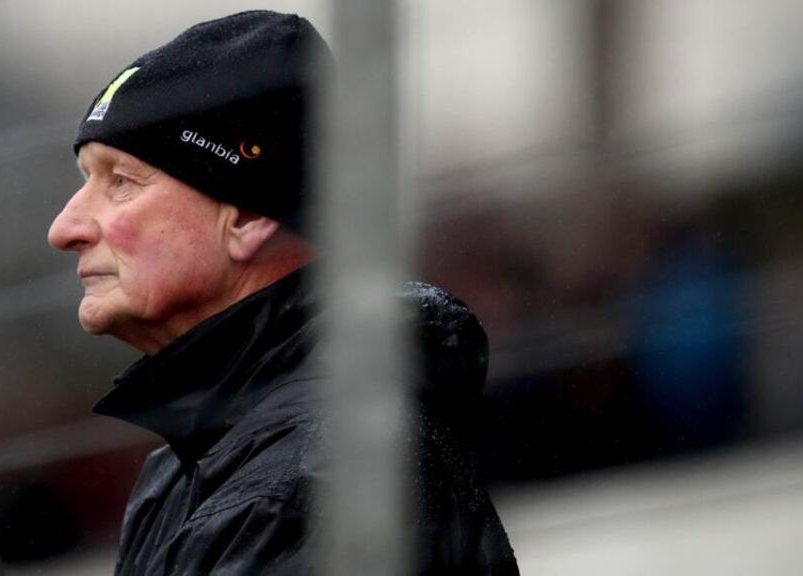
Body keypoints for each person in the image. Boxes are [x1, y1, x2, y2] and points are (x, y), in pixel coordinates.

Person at [47, 10, 518, 575]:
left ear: (246, 215)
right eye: (86, 181)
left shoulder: (306, 482)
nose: (64, 229)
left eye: (120, 181)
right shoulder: (193, 469)